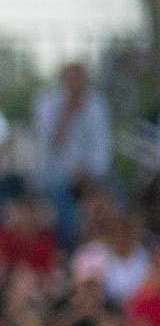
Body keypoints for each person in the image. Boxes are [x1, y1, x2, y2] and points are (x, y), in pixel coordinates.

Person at [32, 62, 111, 243]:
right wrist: (67, 111)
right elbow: (49, 145)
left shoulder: (96, 104)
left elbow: (102, 147)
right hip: (56, 172)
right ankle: (71, 241)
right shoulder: (47, 102)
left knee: (113, 192)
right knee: (59, 193)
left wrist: (90, 172)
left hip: (90, 173)